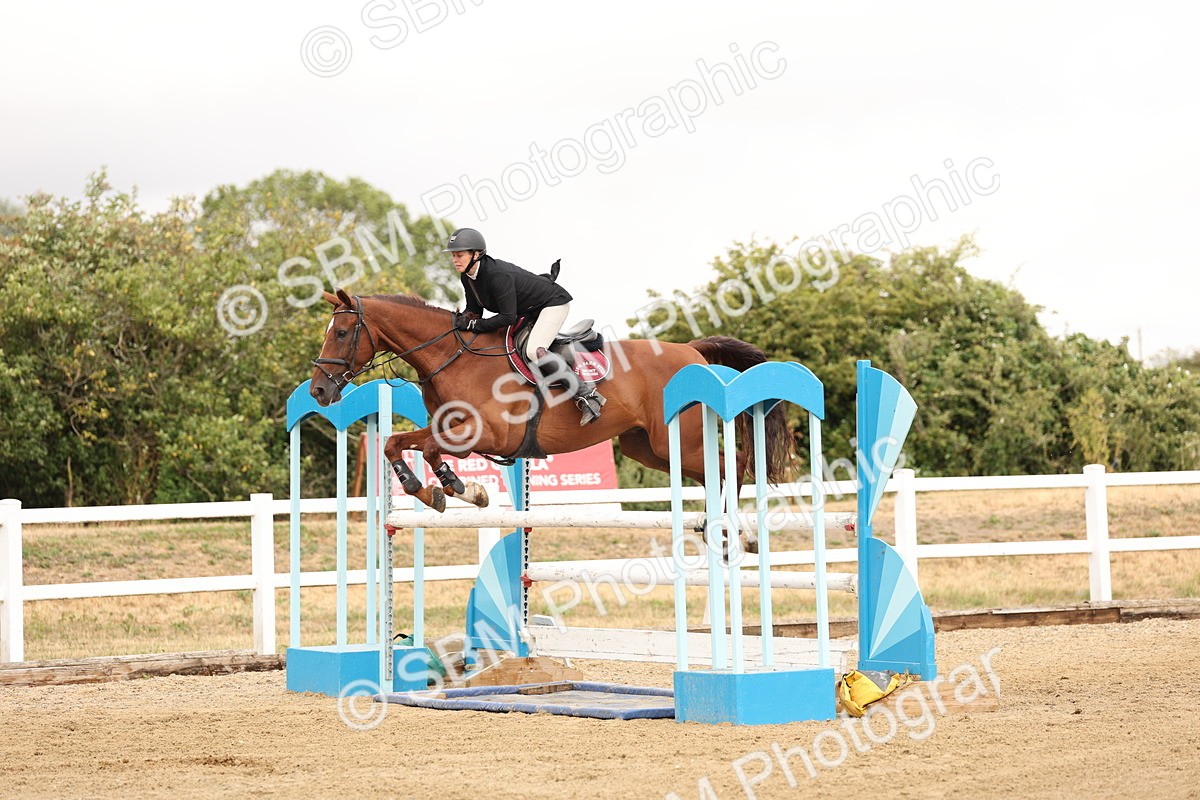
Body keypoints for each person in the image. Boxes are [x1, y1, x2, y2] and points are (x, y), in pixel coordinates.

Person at [445, 227, 606, 425]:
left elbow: (507, 318)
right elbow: (474, 310)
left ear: (476, 254)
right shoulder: (468, 277)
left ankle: (589, 396)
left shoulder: (496, 275)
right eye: (454, 255)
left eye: (459, 255)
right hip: (529, 309)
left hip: (552, 303)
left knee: (533, 351)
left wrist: (474, 323)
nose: (455, 260)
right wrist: (461, 321)